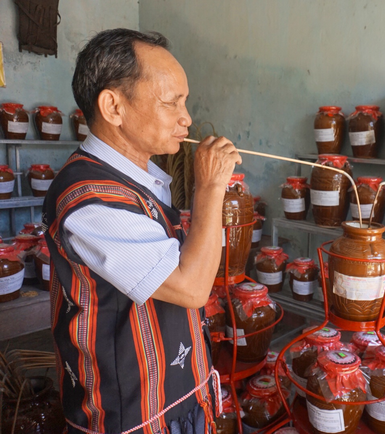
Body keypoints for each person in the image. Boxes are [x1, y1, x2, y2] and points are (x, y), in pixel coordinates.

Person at [42, 28, 241, 433]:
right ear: (113, 106)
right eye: (171, 103)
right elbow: (191, 288)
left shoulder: (142, 178)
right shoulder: (89, 199)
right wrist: (210, 188)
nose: (186, 118)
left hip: (180, 395)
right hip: (133, 416)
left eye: (184, 101)